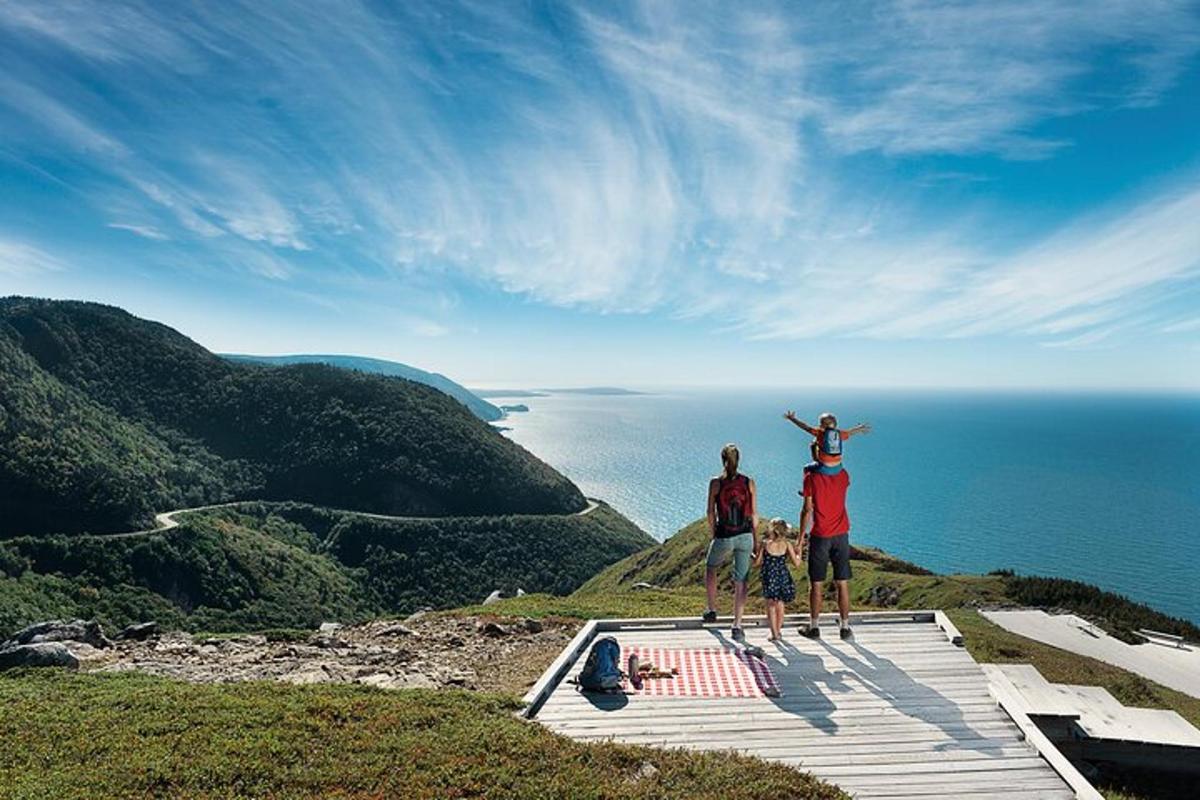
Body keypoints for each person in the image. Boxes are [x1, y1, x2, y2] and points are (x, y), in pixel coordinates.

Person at [703, 443, 758, 642]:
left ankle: (711, 609)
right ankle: (737, 625)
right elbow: (754, 514)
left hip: (724, 535)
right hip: (745, 536)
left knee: (711, 567)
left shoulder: (715, 483)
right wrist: (756, 540)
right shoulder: (749, 482)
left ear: (722, 460)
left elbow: (710, 512)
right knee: (741, 580)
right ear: (738, 460)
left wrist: (713, 533)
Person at [796, 458, 854, 640]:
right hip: (841, 534)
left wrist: (800, 539)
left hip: (820, 535)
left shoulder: (810, 478)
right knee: (842, 583)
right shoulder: (844, 475)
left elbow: (807, 510)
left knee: (816, 584)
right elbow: (833, 492)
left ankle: (814, 627)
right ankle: (845, 628)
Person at [753, 518, 802, 641]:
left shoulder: (765, 544)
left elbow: (757, 563)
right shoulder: (787, 544)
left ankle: (774, 633)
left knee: (770, 604)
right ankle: (778, 631)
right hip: (782, 575)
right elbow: (797, 563)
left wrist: (752, 555)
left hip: (769, 577)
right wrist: (799, 553)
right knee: (780, 603)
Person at [783, 411, 870, 474]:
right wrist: (860, 428)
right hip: (838, 467)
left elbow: (805, 427)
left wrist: (792, 419)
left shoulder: (819, 433)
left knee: (806, 468)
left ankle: (806, 490)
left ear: (822, 425)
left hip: (824, 467)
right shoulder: (840, 434)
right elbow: (851, 432)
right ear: (835, 424)